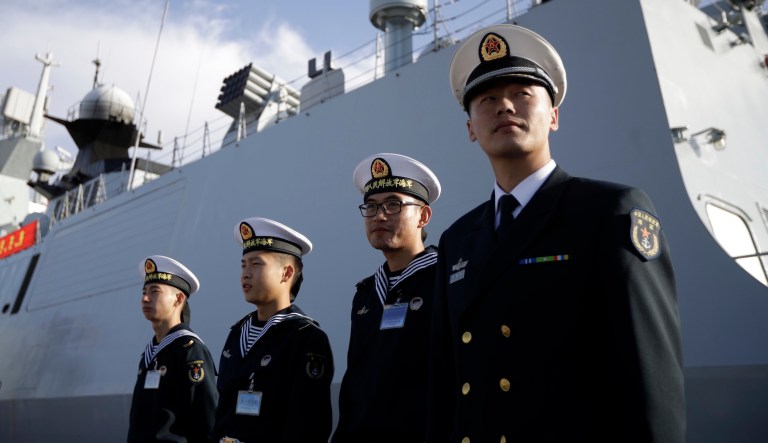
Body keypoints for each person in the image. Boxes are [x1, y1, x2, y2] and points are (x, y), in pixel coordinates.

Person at [427, 24, 685, 442]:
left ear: (554, 115)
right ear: (471, 128)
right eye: (488, 99)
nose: (505, 106)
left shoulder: (609, 212)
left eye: (523, 94)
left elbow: (650, 378)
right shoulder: (458, 240)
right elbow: (445, 382)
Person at [332, 153, 441, 443]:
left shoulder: (445, 279)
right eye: (371, 206)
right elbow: (355, 382)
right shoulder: (366, 294)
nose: (379, 215)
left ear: (423, 215)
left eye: (393, 204)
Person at [213, 217, 334, 443]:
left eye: (256, 264)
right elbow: (221, 414)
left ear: (286, 273)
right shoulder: (237, 335)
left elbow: (307, 426)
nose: (246, 273)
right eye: (243, 265)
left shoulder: (305, 338)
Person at [127, 255, 217, 443]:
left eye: (154, 291)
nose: (145, 298)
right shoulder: (151, 353)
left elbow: (207, 418)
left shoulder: (189, 350)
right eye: (144, 291)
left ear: (178, 298)